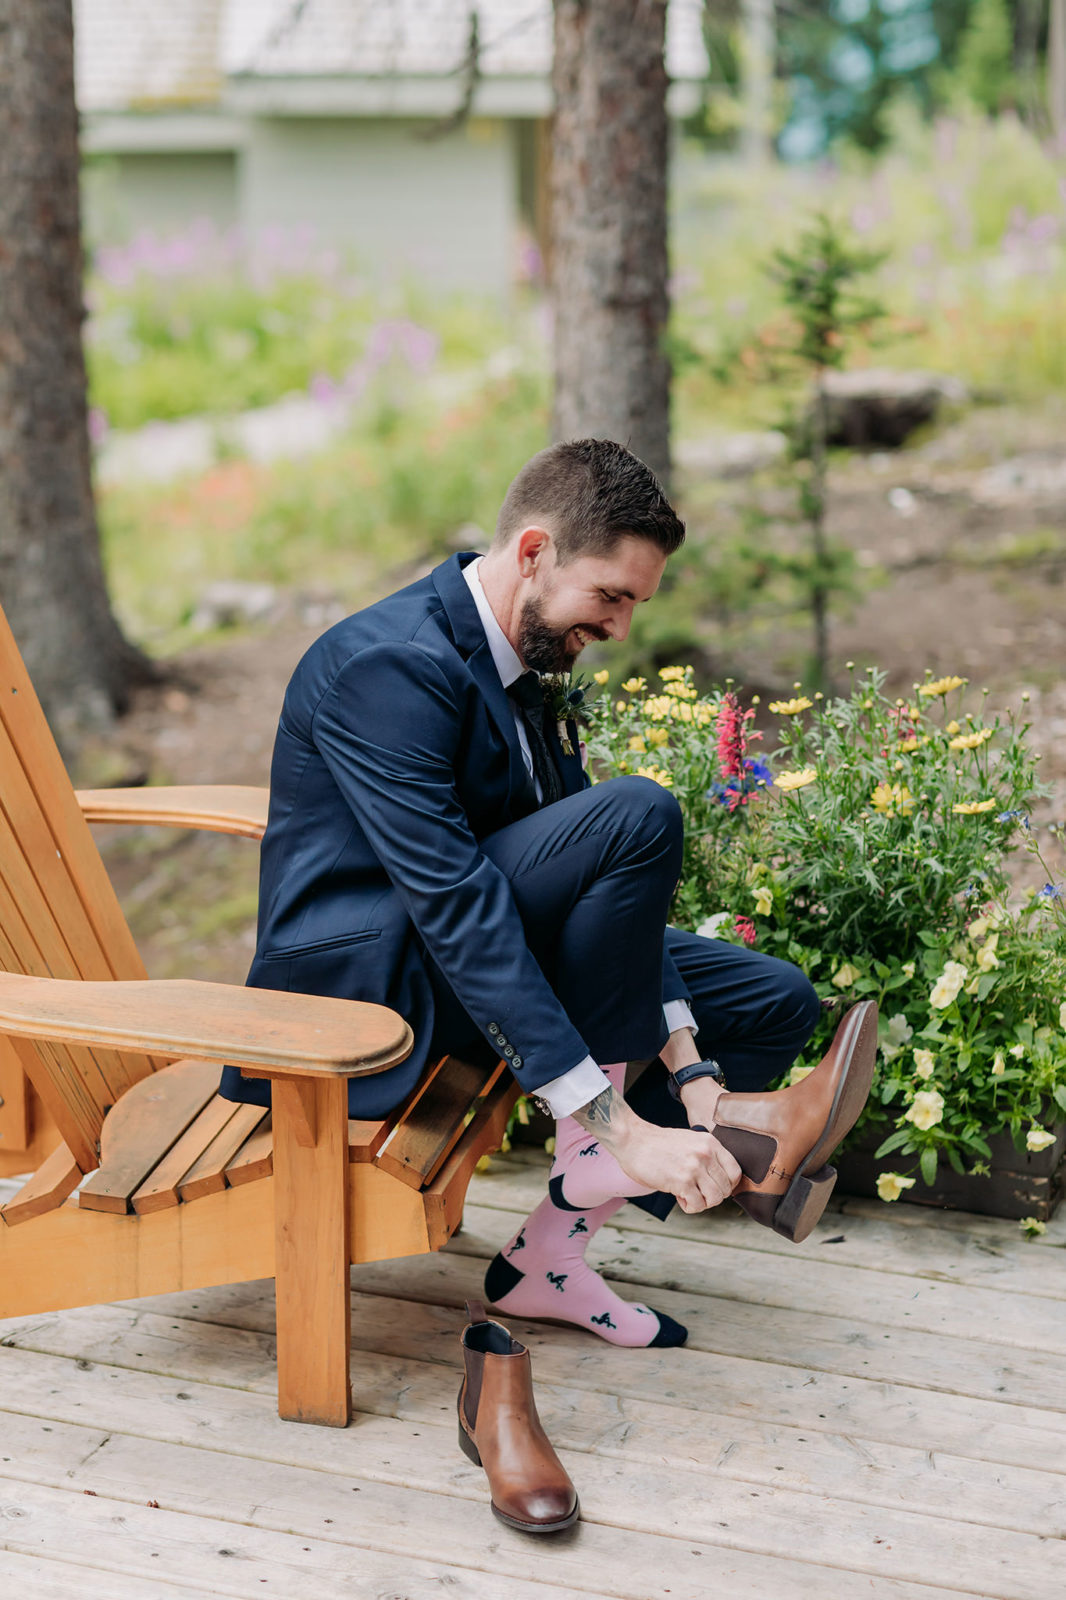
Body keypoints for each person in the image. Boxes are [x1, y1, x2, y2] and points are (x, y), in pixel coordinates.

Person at [220, 438, 875, 1353]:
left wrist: (688, 1070)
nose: (620, 628)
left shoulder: (522, 659)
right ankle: (603, 1152)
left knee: (771, 1002)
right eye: (611, 597)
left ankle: (549, 1254)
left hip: (462, 941)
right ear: (535, 552)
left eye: (636, 604)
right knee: (638, 812)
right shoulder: (390, 668)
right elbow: (459, 906)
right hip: (366, 992)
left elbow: (600, 889)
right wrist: (609, 1119)